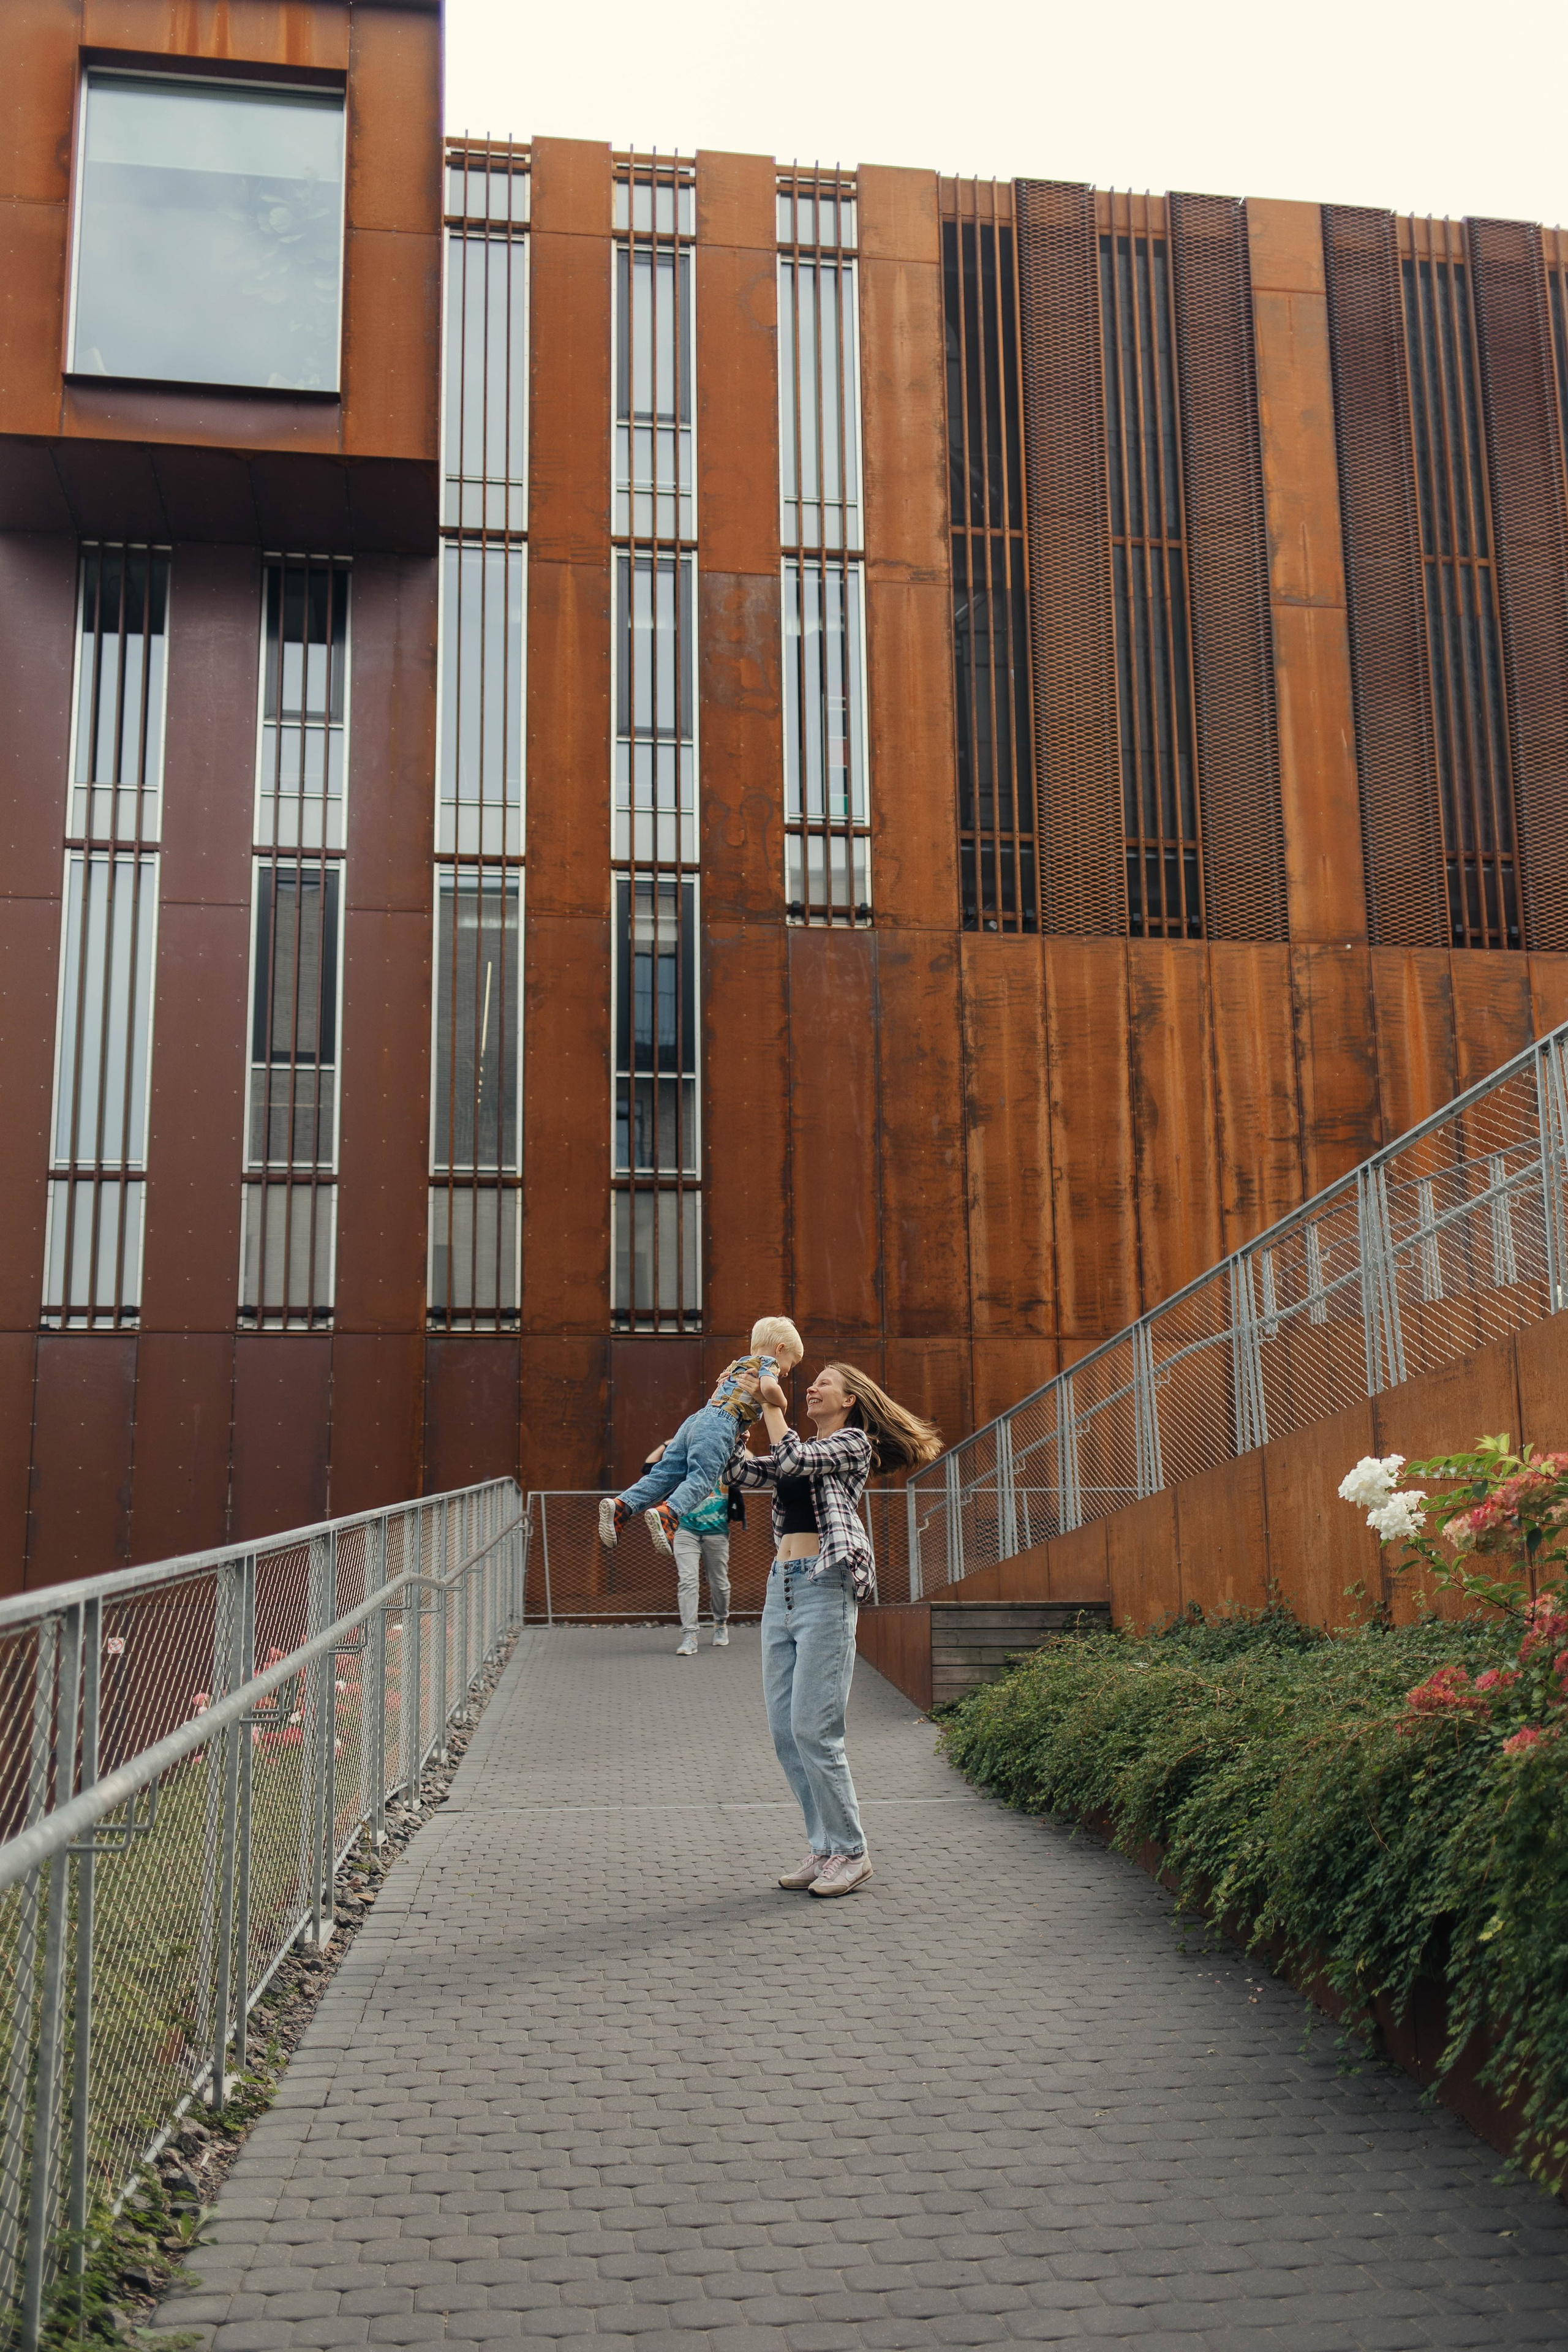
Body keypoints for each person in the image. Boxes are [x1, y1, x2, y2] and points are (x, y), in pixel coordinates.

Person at [728, 1363, 940, 1898]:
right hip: (782, 1588)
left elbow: (797, 1459)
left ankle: (852, 1851)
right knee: (784, 1733)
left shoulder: (852, 1445)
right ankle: (824, 1848)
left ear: (848, 1401)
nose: (813, 1388)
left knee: (814, 1731)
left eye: (825, 1383)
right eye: (812, 1382)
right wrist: (736, 1412)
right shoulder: (790, 1442)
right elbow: (739, 1472)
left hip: (825, 1585)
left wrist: (775, 1407)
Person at [598, 1317, 803, 1559]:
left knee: (665, 1474)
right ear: (780, 1349)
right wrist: (783, 1403)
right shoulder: (768, 1363)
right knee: (704, 1479)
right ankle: (669, 1514)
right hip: (721, 1423)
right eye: (791, 1364)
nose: (788, 1372)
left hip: (697, 1421)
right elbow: (769, 1389)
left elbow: (718, 1394)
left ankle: (622, 1506)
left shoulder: (736, 1365)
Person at [638, 1439, 741, 1659]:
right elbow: (648, 1468)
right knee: (688, 1581)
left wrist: (735, 1441)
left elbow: (751, 1462)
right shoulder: (683, 1469)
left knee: (720, 1584)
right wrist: (668, 1444)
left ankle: (720, 1623)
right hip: (686, 1531)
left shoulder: (725, 1467)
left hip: (717, 1533)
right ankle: (690, 1635)